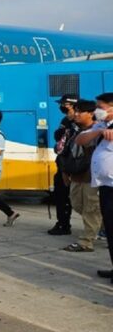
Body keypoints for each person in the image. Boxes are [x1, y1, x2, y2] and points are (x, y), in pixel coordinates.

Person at [75, 93, 113, 283]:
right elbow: (80, 140)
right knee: (111, 229)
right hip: (105, 185)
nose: (97, 110)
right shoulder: (102, 125)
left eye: (101, 107)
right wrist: (98, 132)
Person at [62, 100, 102, 252]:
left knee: (91, 209)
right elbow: (67, 152)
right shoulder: (74, 130)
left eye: (80, 111)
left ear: (91, 114)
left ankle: (86, 241)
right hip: (76, 175)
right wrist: (65, 172)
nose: (76, 114)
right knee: (78, 205)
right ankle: (102, 226)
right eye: (76, 111)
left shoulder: (98, 131)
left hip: (91, 178)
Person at [49, 94, 79, 236]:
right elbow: (58, 138)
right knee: (61, 196)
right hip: (63, 163)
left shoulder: (81, 122)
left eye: (64, 104)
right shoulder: (65, 120)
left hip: (77, 166)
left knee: (84, 202)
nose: (61, 107)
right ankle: (63, 223)